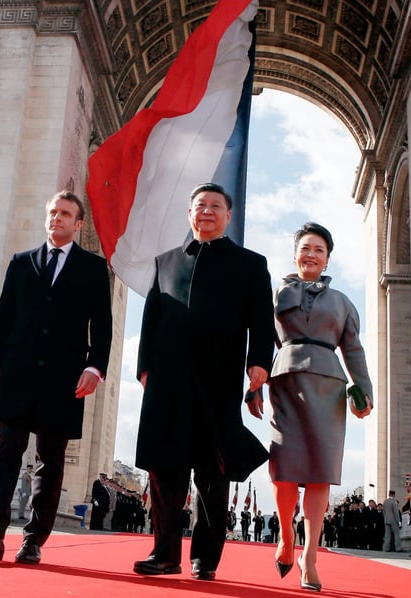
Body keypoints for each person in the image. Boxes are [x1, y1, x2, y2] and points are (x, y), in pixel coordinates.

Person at [132, 183, 274, 581]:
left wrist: (258, 366)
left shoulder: (250, 264)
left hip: (219, 378)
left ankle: (205, 559)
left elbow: (262, 321)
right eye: (200, 206)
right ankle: (164, 553)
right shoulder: (165, 262)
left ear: (228, 216)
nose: (207, 211)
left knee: (212, 471)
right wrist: (145, 369)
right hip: (168, 379)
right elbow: (151, 321)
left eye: (215, 206)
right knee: (164, 468)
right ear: (190, 214)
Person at [0, 190, 112, 565]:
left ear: (78, 224)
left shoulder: (94, 268)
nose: (56, 218)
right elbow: (3, 315)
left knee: (50, 460)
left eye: (65, 214)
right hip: (17, 372)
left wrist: (95, 368)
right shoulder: (21, 262)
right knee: (6, 453)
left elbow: (104, 324)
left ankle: (33, 539)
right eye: (52, 212)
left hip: (65, 378)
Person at [249, 221, 372, 590]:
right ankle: (286, 537)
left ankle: (310, 555)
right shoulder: (272, 296)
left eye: (319, 249)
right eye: (306, 248)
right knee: (283, 469)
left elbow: (353, 348)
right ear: (295, 254)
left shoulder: (343, 303)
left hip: (328, 388)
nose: (311, 255)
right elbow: (258, 342)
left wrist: (362, 389)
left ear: (328, 258)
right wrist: (253, 384)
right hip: (283, 382)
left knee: (320, 471)